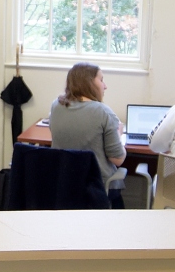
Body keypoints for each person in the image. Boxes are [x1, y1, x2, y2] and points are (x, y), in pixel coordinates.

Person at [48, 63, 127, 208]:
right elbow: (117, 159)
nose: (105, 86)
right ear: (90, 83)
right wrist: (119, 134)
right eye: (101, 80)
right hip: (97, 190)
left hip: (63, 186)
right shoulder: (104, 112)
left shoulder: (56, 106)